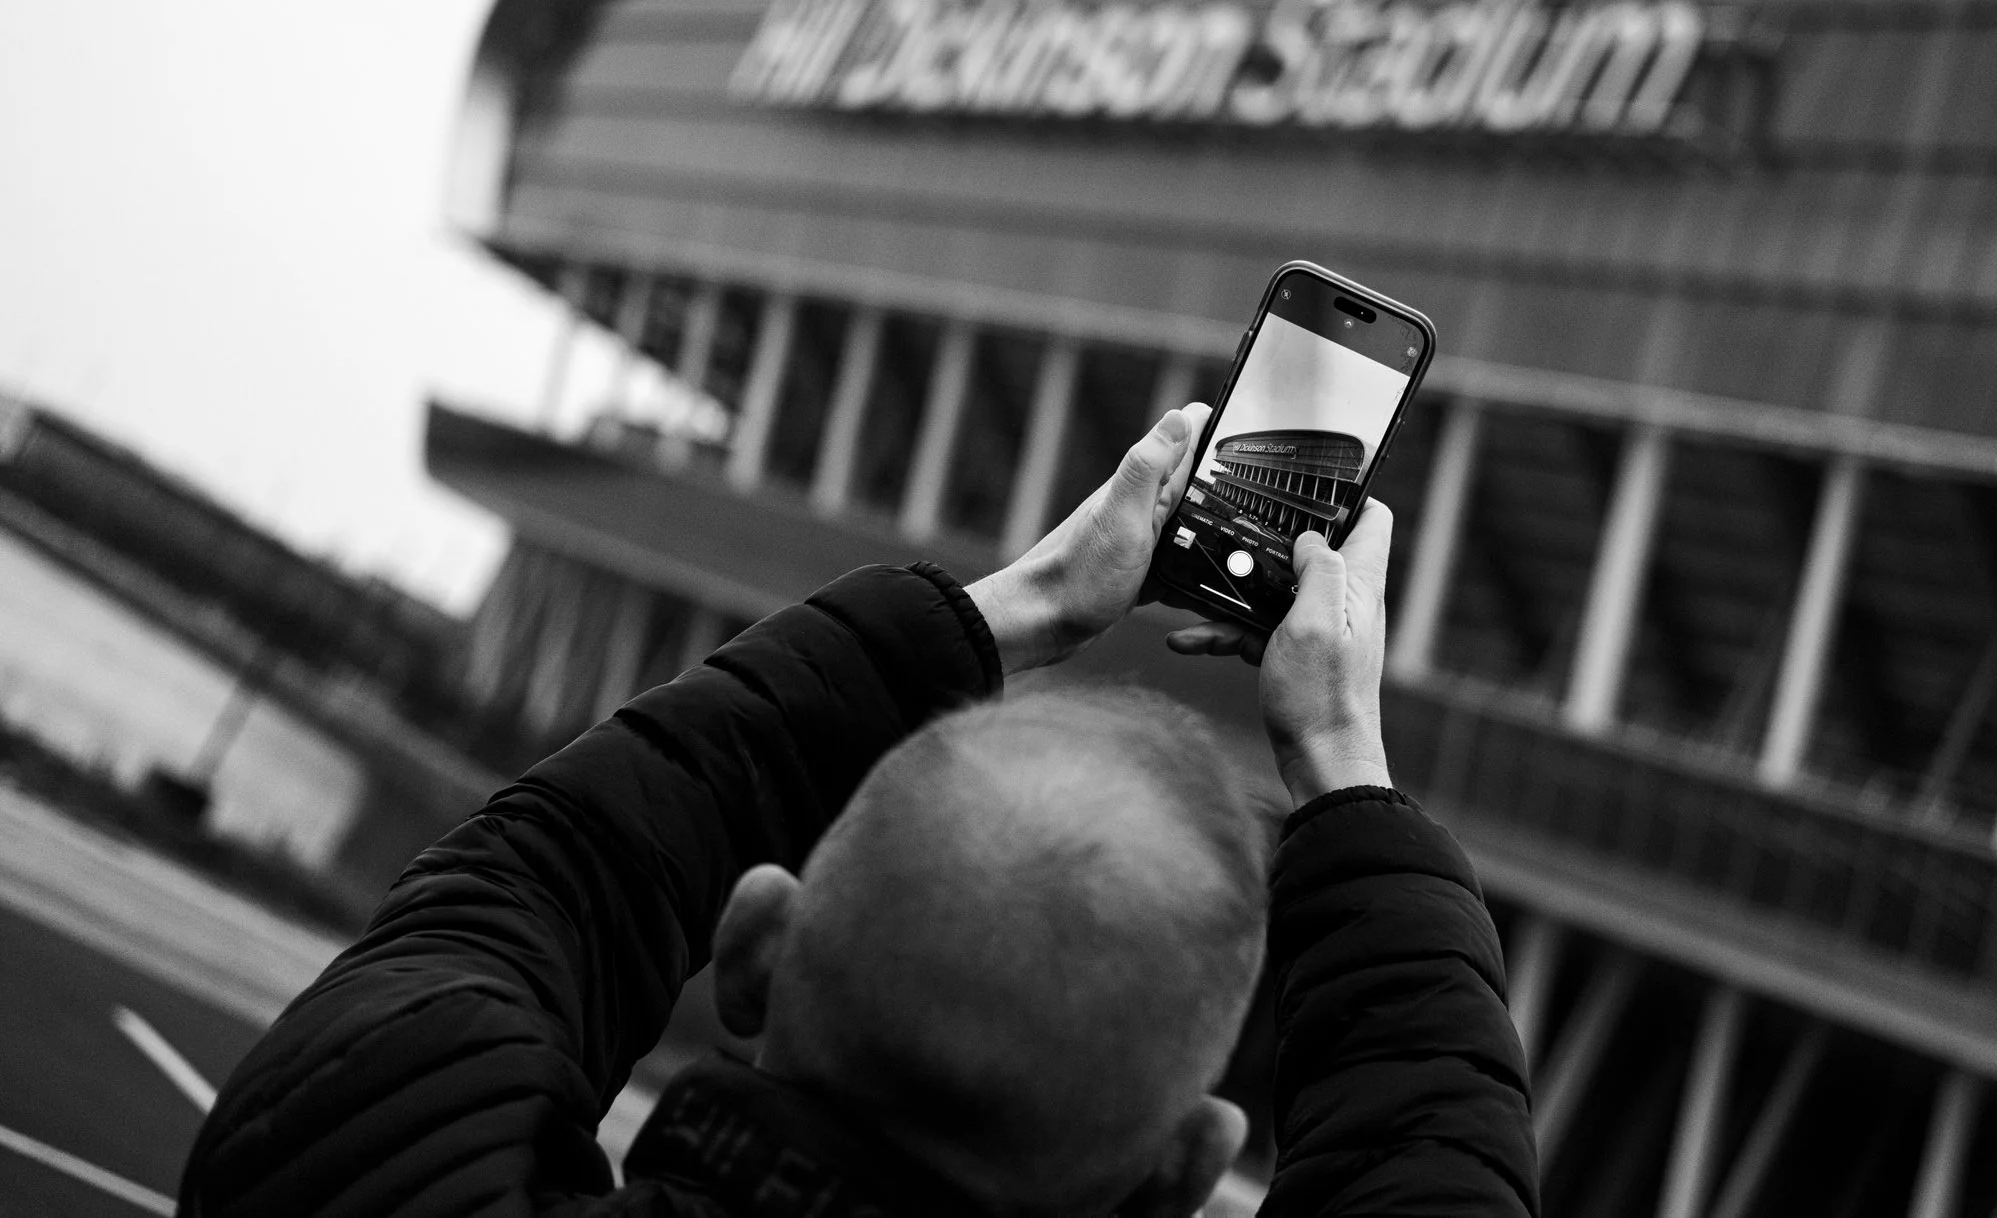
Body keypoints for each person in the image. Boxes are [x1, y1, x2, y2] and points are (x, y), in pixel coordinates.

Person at [179, 406, 1536, 1217]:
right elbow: (1435, 1169)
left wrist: (1031, 600)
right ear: (1185, 1171)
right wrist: (1344, 752)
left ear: (759, 943)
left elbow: (554, 876)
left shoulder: (350, 1171)